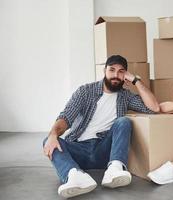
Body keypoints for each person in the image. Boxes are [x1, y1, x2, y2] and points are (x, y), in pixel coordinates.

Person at [43, 55, 159, 198]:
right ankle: (75, 176)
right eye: (112, 70)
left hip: (104, 151)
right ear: (104, 71)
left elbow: (154, 107)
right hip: (79, 150)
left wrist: (136, 80)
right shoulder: (85, 91)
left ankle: (115, 169)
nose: (116, 75)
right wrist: (53, 134)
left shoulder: (126, 96)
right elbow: (66, 117)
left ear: (125, 76)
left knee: (123, 122)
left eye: (121, 71)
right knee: (49, 140)